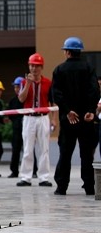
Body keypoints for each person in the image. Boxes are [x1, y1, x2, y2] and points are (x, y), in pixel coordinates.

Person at [52, 37, 100, 196]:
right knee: (86, 154)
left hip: (68, 120)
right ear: (80, 51)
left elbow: (56, 94)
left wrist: (67, 111)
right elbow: (94, 90)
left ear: (66, 52)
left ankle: (61, 187)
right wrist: (90, 110)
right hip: (86, 119)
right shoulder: (89, 69)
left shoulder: (59, 70)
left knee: (65, 154)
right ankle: (89, 187)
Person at [16, 53, 56, 187]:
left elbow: (53, 103)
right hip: (28, 118)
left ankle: (44, 177)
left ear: (42, 67)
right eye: (32, 65)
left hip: (43, 118)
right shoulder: (23, 82)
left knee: (44, 148)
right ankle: (26, 177)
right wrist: (28, 83)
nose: (34, 68)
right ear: (29, 66)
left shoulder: (48, 83)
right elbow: (21, 99)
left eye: (37, 66)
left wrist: (54, 119)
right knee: (27, 148)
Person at [7, 76, 37, 178]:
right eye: (15, 87)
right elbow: (10, 115)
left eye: (18, 87)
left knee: (29, 149)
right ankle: (14, 171)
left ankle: (33, 171)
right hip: (17, 129)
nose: (16, 89)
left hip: (28, 127)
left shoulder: (27, 99)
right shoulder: (12, 101)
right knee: (15, 150)